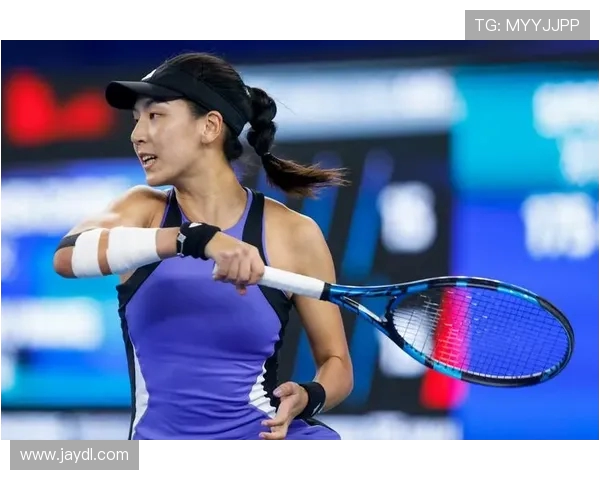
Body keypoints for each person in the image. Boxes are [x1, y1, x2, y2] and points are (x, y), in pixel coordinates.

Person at [53, 52, 354, 440]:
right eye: (136, 119)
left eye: (155, 115)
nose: (137, 134)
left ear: (210, 126)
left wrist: (309, 396)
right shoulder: (141, 210)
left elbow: (336, 362)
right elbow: (67, 257)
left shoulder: (294, 233)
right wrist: (192, 238)